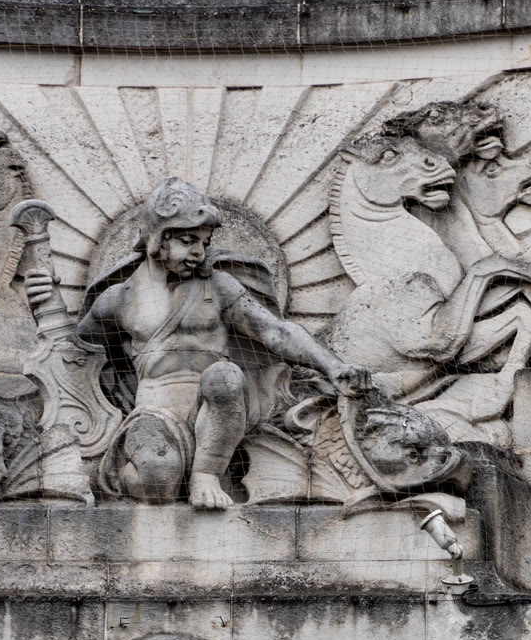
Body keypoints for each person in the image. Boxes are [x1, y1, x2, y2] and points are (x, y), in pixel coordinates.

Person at [67, 177, 371, 509]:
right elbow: (76, 354)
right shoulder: (119, 299)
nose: (198, 252)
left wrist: (333, 366)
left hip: (213, 412)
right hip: (154, 413)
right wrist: (46, 307)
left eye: (204, 242)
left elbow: (275, 332)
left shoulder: (218, 286)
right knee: (156, 479)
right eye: (187, 240)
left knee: (225, 375)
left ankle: (206, 474)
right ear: (157, 240)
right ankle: (124, 472)